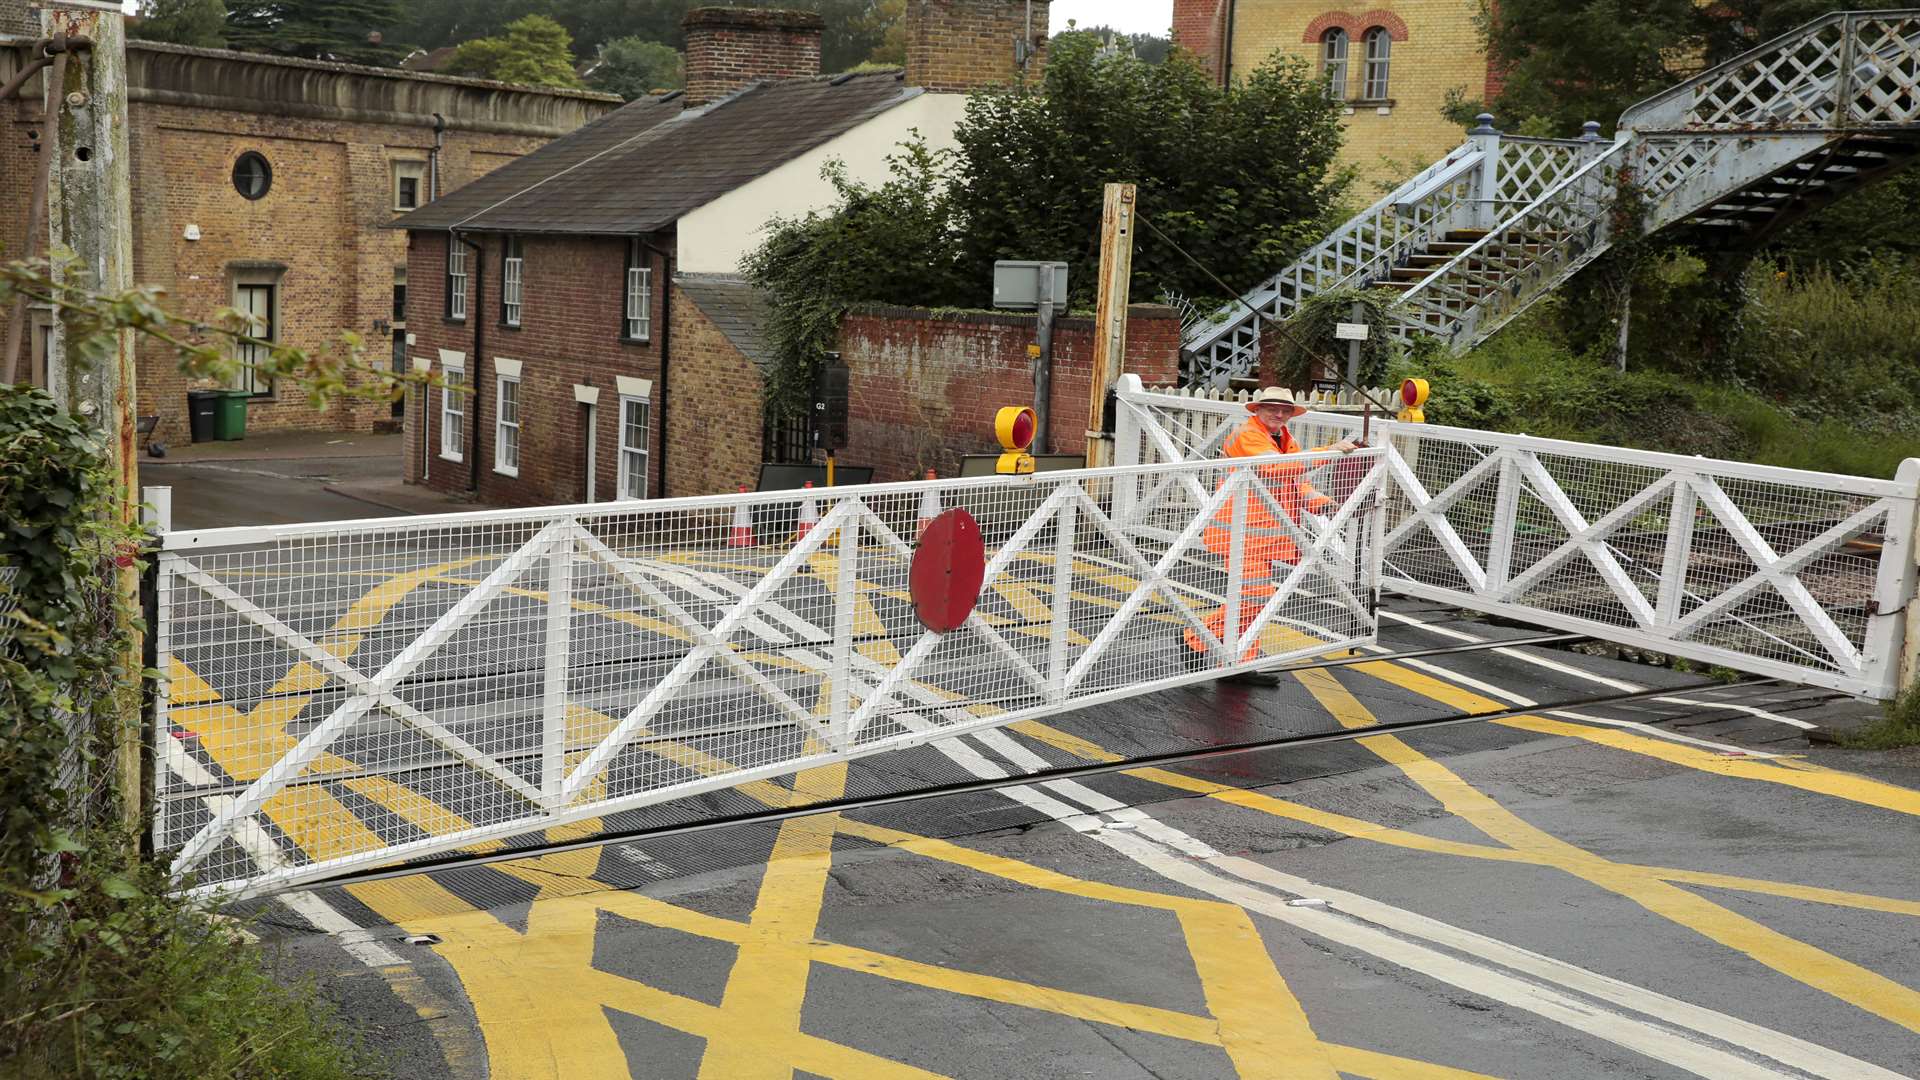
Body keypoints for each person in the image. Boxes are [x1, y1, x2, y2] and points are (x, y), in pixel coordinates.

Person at [1185, 386, 1357, 683]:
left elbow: (1294, 482)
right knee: (1256, 599)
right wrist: (1330, 451)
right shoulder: (1249, 435)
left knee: (1252, 601)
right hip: (1242, 535)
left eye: (1285, 410)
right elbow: (1276, 467)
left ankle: (1239, 664)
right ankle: (1194, 639)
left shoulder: (1286, 440)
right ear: (1258, 410)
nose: (1279, 414)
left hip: (1265, 536)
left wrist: (1323, 503)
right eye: (1272, 409)